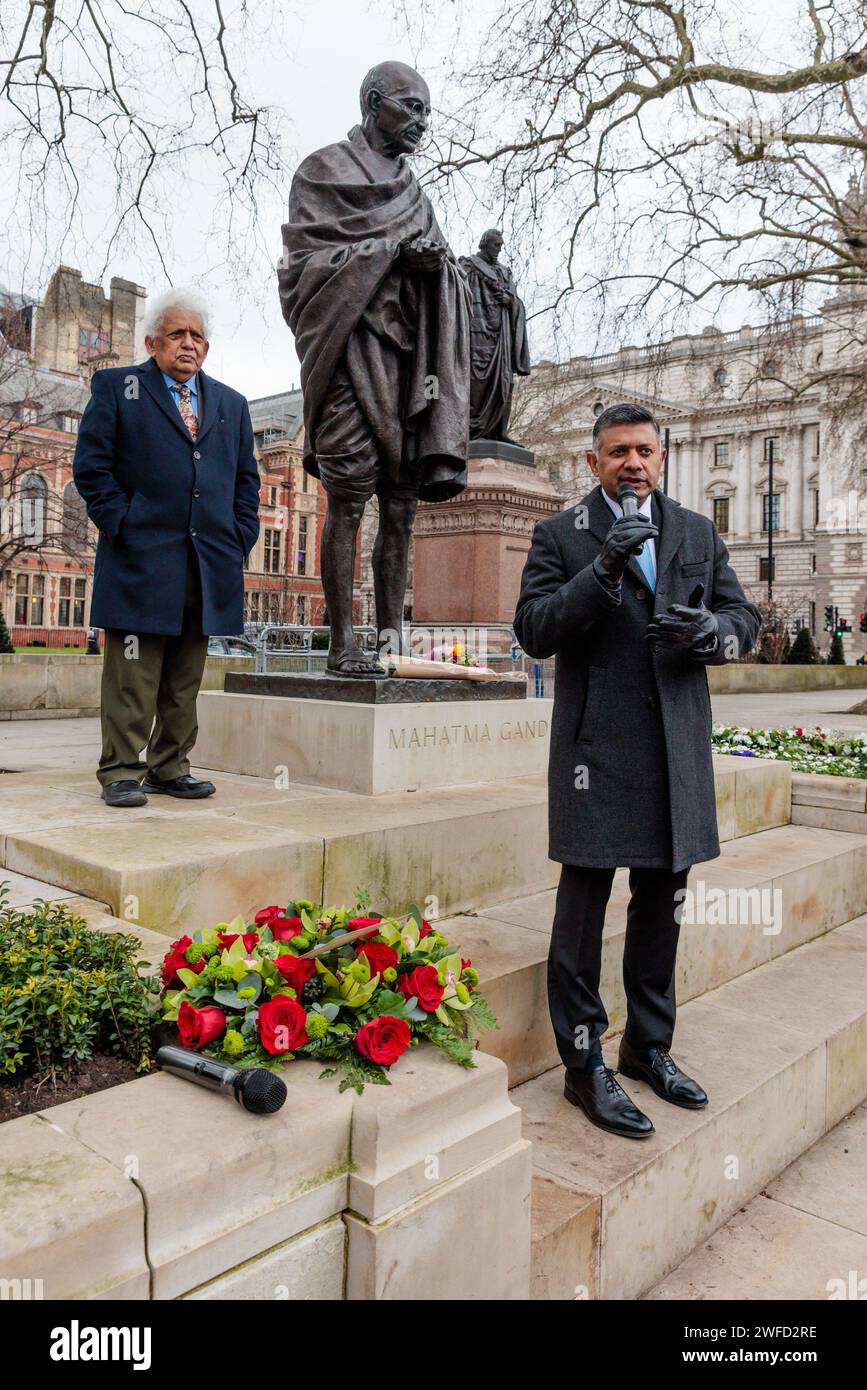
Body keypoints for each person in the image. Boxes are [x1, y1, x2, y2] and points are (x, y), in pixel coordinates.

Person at [513, 403, 761, 1138]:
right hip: (596, 754)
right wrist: (604, 566)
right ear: (593, 463)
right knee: (580, 917)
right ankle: (583, 1067)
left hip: (674, 751)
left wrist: (713, 632)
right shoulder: (559, 535)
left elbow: (740, 618)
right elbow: (533, 630)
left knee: (662, 909)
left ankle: (648, 1050)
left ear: (661, 458)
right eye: (617, 451)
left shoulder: (695, 530)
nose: (632, 462)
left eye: (644, 451)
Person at [278, 60, 470, 676]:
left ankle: (390, 649)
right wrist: (388, 251)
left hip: (407, 368)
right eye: (411, 107)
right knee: (347, 498)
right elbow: (301, 273)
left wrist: (434, 266)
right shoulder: (322, 171)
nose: (421, 122)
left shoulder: (418, 195)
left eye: (426, 112)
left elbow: (445, 278)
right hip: (347, 359)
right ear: (373, 102)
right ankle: (342, 646)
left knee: (402, 509)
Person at [73, 289, 260, 807]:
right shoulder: (117, 387)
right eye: (177, 334)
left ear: (208, 347)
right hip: (140, 559)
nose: (188, 344)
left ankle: (170, 766)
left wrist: (242, 534)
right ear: (153, 341)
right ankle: (120, 772)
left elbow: (247, 483)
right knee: (133, 674)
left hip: (208, 564)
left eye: (197, 336)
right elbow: (91, 468)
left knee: (185, 677)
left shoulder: (231, 404)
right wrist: (122, 523)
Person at [459, 229, 531, 443]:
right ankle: (473, 431)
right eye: (495, 245)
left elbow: (516, 302)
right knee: (476, 381)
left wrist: (510, 300)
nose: (499, 250)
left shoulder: (504, 272)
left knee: (504, 382)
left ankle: (499, 432)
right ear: (484, 244)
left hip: (502, 337)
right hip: (477, 334)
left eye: (500, 245)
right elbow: (454, 294)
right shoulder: (469, 266)